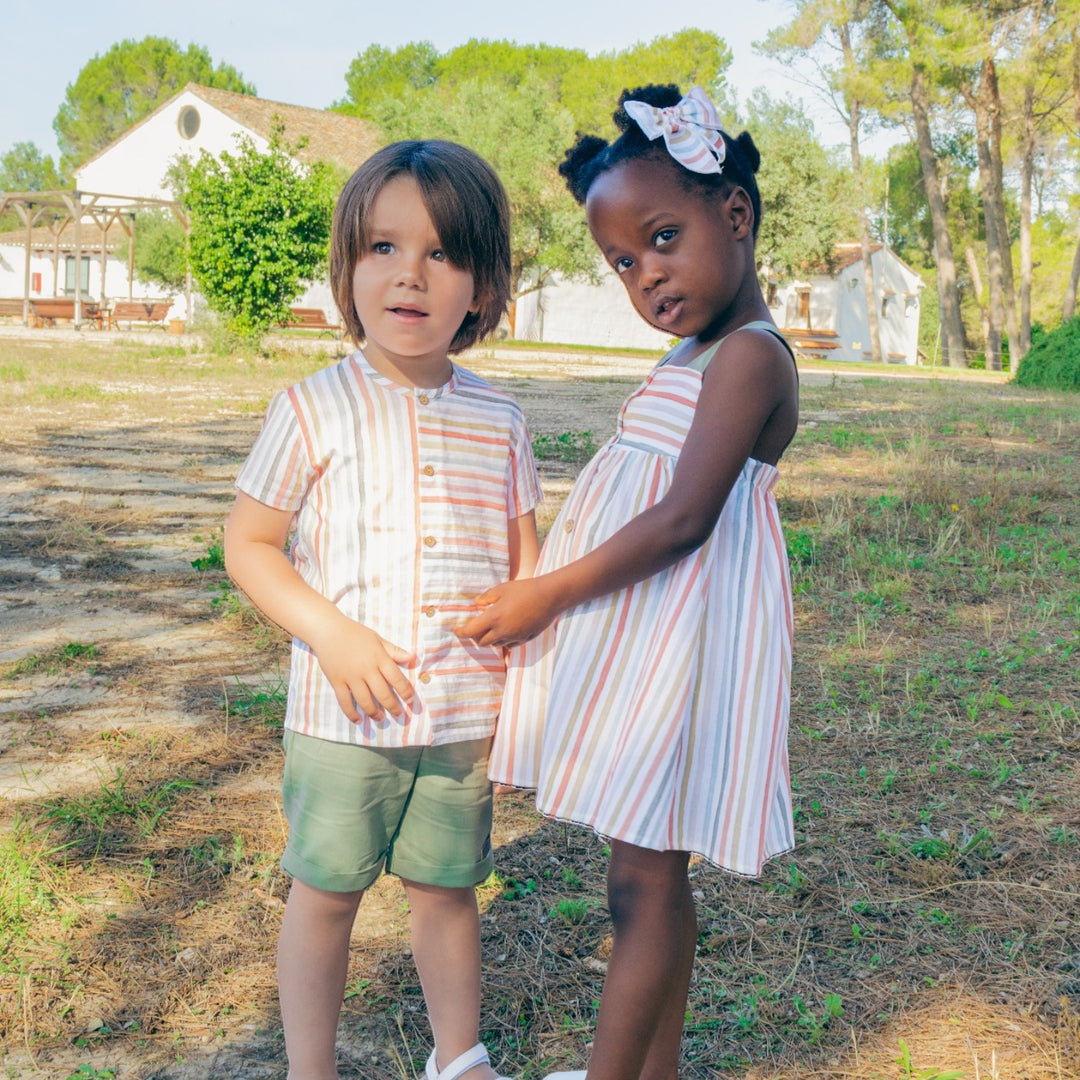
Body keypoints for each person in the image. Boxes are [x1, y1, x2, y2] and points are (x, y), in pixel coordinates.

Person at [457, 85, 799, 1080]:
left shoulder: (749, 357)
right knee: (646, 877)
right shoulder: (700, 350)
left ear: (733, 215)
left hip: (678, 645)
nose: (645, 275)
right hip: (650, 635)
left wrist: (546, 595)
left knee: (642, 887)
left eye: (663, 238)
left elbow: (685, 518)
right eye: (622, 261)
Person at [224, 140, 541, 1080]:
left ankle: (460, 1056)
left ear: (482, 287)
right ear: (347, 267)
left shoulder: (502, 421)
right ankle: (308, 1069)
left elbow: (528, 570)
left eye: (443, 254)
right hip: (342, 719)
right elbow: (249, 546)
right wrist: (330, 630)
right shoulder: (312, 408)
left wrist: (525, 669)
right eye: (383, 248)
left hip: (459, 718)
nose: (411, 275)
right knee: (325, 892)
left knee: (446, 891)